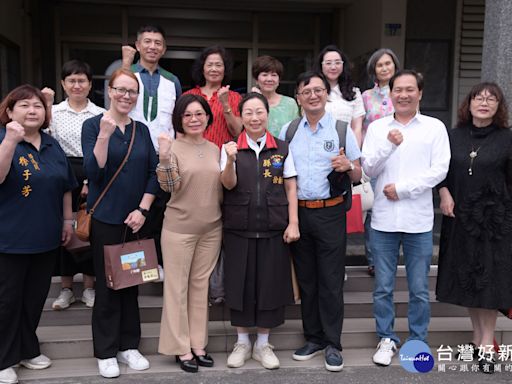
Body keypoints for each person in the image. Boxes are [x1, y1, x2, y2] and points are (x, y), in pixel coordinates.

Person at [362, 69, 450, 367]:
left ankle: (417, 340)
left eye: (409, 89)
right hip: (384, 220)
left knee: (419, 288)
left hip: (418, 220)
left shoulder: (434, 127)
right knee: (383, 286)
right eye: (397, 89)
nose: (403, 95)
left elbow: (439, 170)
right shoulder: (377, 128)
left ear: (420, 93)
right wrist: (389, 144)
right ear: (390, 94)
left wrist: (403, 189)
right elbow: (368, 169)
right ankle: (386, 338)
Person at [279, 72, 362, 372]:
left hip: (330, 212)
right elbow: (283, 174)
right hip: (298, 213)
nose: (313, 95)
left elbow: (358, 174)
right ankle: (312, 337)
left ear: (326, 94)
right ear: (298, 97)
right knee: (307, 279)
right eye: (306, 91)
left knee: (330, 280)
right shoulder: (289, 131)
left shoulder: (341, 130)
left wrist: (348, 165)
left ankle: (333, 343)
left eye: (318, 90)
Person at [82, 68, 158, 378]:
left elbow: (154, 173)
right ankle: (106, 350)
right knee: (108, 285)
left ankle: (129, 345)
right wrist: (103, 135)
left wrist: (143, 209)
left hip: (135, 220)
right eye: (121, 90)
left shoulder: (142, 130)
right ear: (109, 91)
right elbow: (93, 171)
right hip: (107, 219)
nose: (126, 96)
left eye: (132, 91)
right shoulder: (93, 125)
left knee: (132, 282)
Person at [0, 85, 76, 384]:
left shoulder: (51, 144)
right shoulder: (4, 139)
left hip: (46, 236)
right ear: (9, 111)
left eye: (38, 106)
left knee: (34, 299)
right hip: (9, 238)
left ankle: (28, 348)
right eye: (24, 105)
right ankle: (4, 358)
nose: (32, 110)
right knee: (7, 301)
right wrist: (10, 141)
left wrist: (68, 221)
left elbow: (65, 185)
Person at [436, 82, 512, 374]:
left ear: (498, 106)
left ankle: (485, 344)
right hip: (460, 219)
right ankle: (475, 336)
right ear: (468, 104)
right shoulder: (453, 136)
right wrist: (443, 192)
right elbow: (439, 170)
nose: (484, 102)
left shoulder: (506, 139)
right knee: (469, 282)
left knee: (488, 283)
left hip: (494, 224)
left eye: (491, 99)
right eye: (478, 97)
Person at [221, 92, 300, 370]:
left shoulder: (282, 147)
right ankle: (242, 342)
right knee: (239, 284)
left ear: (267, 114)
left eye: (259, 112)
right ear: (241, 117)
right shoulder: (230, 147)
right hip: (239, 228)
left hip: (273, 227)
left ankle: (263, 344)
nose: (254, 118)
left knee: (270, 285)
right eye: (249, 113)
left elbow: (290, 186)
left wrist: (293, 222)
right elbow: (227, 184)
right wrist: (230, 160)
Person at [156, 94, 222, 373]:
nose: (194, 119)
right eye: (188, 115)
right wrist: (164, 157)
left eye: (199, 114)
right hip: (178, 230)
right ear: (179, 119)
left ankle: (198, 344)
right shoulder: (172, 148)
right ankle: (180, 348)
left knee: (200, 288)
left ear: (208, 116)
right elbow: (169, 186)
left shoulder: (215, 149)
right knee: (177, 289)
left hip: (211, 229)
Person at [42, 59, 105, 310]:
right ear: (63, 84)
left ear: (90, 85)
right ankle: (66, 289)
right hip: (61, 172)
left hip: (91, 173)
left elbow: (102, 149)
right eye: (71, 81)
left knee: (90, 231)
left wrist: (90, 179)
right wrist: (46, 104)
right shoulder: (53, 112)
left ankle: (89, 288)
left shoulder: (100, 113)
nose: (76, 85)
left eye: (81, 80)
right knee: (65, 232)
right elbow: (45, 141)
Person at [121, 25, 182, 277]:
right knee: (132, 209)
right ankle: (134, 267)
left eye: (158, 42)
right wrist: (126, 63)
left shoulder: (172, 80)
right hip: (131, 153)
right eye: (147, 41)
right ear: (138, 45)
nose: (152, 46)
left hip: (162, 154)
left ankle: (156, 262)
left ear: (164, 49)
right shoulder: (128, 74)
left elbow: (178, 119)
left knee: (160, 210)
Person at [361, 48, 401, 277]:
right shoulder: (365, 96)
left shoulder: (404, 92)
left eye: (388, 64)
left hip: (400, 159)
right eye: (380, 65)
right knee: (373, 211)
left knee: (398, 208)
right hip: (375, 160)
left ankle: (393, 259)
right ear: (374, 70)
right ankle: (374, 260)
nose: (385, 68)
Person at [184, 45, 242, 148]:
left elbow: (237, 132)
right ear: (202, 69)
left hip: (223, 159)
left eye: (218, 65)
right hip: (191, 156)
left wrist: (225, 104)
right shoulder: (188, 96)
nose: (214, 69)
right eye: (209, 65)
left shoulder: (235, 97)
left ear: (225, 70)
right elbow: (180, 131)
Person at [315, 45, 365, 147]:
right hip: (318, 146)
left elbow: (357, 128)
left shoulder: (354, 93)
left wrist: (354, 156)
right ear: (321, 66)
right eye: (328, 63)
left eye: (337, 62)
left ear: (343, 65)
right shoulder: (313, 92)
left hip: (345, 148)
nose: (333, 67)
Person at [250, 55, 299, 137]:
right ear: (256, 80)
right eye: (265, 75)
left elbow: (296, 131)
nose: (269, 79)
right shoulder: (249, 103)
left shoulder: (290, 103)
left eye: (274, 75)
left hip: (285, 148)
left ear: (279, 80)